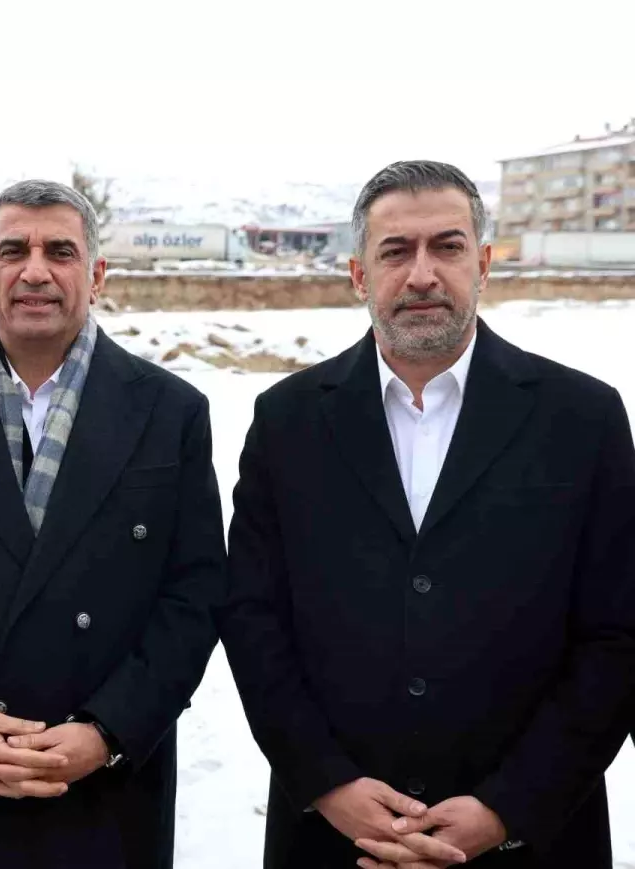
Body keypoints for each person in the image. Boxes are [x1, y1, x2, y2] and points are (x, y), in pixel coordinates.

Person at [219, 160, 635, 869]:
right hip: (333, 838)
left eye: (446, 247)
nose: (422, 275)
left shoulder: (582, 419)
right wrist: (329, 783)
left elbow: (617, 632)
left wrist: (507, 806)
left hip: (534, 837)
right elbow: (253, 617)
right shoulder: (287, 421)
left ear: (483, 263)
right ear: (358, 274)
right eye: (395, 251)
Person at [0, 179, 227, 869]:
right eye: (13, 251)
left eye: (60, 251)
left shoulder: (171, 412)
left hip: (109, 797)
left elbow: (195, 595)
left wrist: (108, 732)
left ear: (96, 273)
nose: (35, 271)